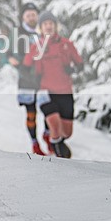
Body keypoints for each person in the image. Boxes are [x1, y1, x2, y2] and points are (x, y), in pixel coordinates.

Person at [23, 10, 83, 158]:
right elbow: (25, 67)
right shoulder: (36, 47)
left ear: (56, 26)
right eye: (45, 24)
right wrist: (32, 77)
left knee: (67, 132)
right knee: (54, 125)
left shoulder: (66, 44)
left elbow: (80, 65)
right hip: (46, 92)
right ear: (41, 28)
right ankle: (56, 153)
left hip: (65, 91)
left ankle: (58, 142)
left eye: (51, 24)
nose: (48, 27)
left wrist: (73, 69)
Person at [7, 2, 52, 155]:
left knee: (49, 109)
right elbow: (9, 53)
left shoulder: (44, 31)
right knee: (31, 112)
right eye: (28, 15)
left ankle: (48, 135)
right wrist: (16, 63)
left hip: (44, 77)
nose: (32, 17)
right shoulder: (17, 33)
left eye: (34, 14)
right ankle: (35, 143)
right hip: (26, 78)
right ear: (23, 18)